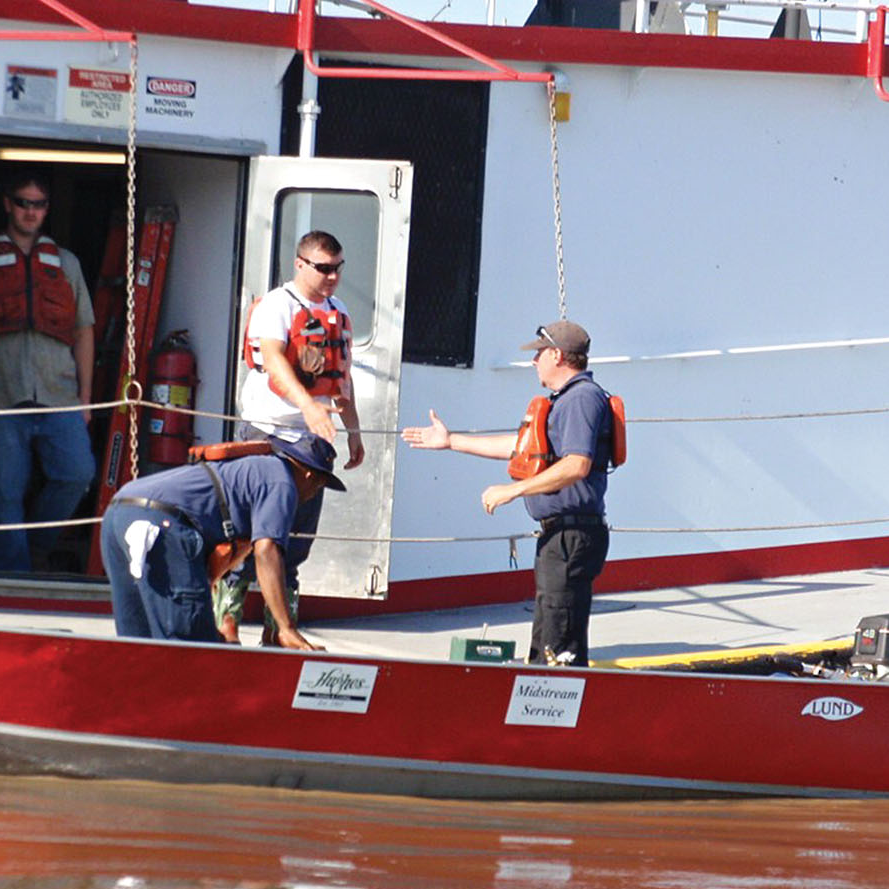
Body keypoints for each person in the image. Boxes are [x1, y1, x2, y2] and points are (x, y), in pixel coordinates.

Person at [401, 320, 614, 666]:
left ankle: (557, 705)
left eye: (539, 354)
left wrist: (514, 490)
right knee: (548, 637)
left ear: (557, 355)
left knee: (560, 645)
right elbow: (522, 448)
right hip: (559, 536)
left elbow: (577, 464)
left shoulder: (580, 399)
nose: (534, 361)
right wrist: (452, 441)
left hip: (571, 537)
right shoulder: (566, 400)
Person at [0, 171, 97, 573]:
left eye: (39, 204)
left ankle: (30, 548)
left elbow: (84, 331)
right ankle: (15, 573)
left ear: (47, 210)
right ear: (8, 205)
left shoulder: (67, 263)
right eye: (23, 203)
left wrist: (85, 399)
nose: (31, 211)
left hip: (58, 395)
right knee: (4, 491)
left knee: (77, 474)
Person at [214, 230, 366, 642]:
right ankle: (226, 621)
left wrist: (353, 431)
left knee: (295, 539)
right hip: (268, 433)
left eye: (338, 268)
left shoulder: (340, 311)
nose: (332, 276)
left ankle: (278, 629)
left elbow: (343, 377)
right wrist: (308, 407)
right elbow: (276, 361)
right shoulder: (276, 306)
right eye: (323, 268)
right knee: (249, 535)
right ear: (300, 264)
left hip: (312, 444)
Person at [101, 431, 345, 647]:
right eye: (319, 487)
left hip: (119, 513)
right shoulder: (283, 483)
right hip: (162, 523)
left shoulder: (252, 470)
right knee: (192, 648)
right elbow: (267, 551)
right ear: (310, 475)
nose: (313, 495)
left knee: (136, 641)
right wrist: (286, 627)